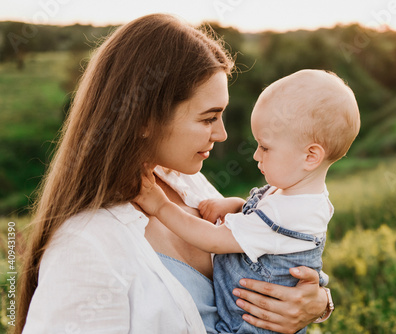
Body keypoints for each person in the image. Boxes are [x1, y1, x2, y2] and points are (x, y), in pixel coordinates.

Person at [16, 14, 331, 334]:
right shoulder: (85, 245)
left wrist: (317, 301)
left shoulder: (187, 183)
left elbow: (272, 255)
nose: (221, 134)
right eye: (208, 118)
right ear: (143, 119)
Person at [135, 69, 360, 333]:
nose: (256, 155)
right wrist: (237, 205)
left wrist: (161, 206)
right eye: (208, 118)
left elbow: (216, 240)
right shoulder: (301, 198)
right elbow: (265, 223)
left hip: (245, 325)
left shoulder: (284, 212)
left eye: (265, 147)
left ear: (310, 156)